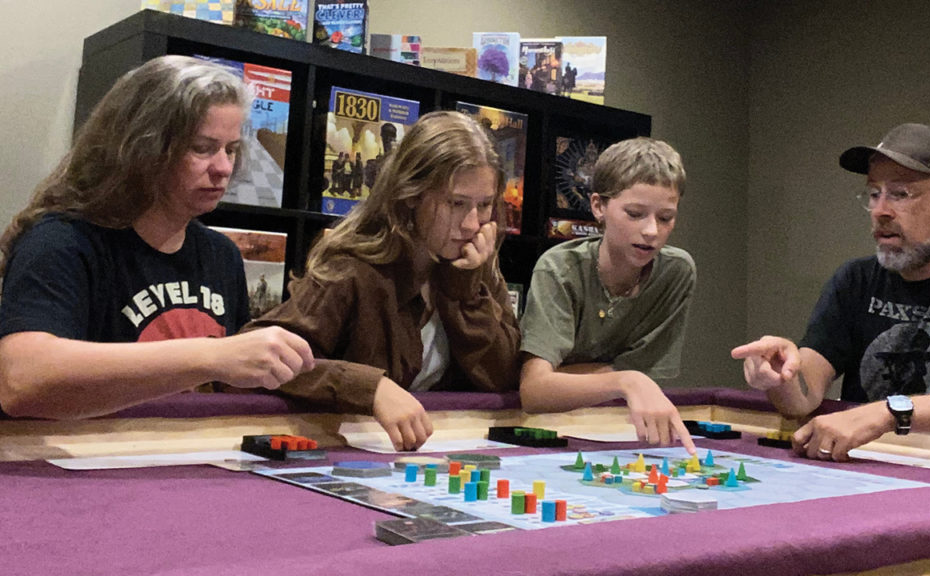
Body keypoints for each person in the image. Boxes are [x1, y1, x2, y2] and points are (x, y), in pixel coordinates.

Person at [0, 55, 315, 419]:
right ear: (142, 149)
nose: (223, 168)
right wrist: (213, 355)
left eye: (230, 149)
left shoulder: (220, 253)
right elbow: (21, 379)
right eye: (202, 148)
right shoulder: (62, 241)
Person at [731, 123, 930, 461]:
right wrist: (780, 375)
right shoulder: (855, 279)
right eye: (874, 193)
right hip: (866, 466)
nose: (880, 210)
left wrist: (889, 413)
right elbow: (802, 398)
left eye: (900, 194)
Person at [246, 110, 520, 452]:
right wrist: (371, 388)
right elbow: (261, 352)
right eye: (456, 203)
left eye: (485, 205)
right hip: (341, 453)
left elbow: (503, 377)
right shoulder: (352, 268)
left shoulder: (477, 264)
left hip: (428, 456)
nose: (472, 224)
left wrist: (465, 289)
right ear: (411, 195)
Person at [518, 137, 697, 453]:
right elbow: (534, 390)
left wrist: (567, 379)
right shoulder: (559, 268)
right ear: (598, 206)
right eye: (635, 213)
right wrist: (626, 380)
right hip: (539, 428)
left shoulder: (676, 272)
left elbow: (643, 374)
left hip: (609, 426)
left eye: (665, 217)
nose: (652, 231)